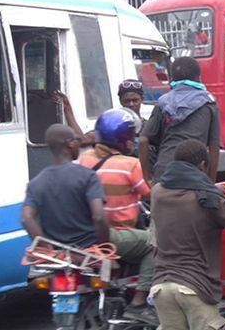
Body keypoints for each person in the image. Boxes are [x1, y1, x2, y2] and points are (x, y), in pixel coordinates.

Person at [150, 139, 225, 330]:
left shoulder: (157, 192)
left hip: (161, 288)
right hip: (194, 287)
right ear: (202, 165)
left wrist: (212, 190)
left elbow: (184, 191)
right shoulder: (207, 199)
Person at [77, 108, 156, 323]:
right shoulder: (129, 165)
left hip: (83, 233)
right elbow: (151, 194)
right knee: (155, 243)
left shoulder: (84, 160)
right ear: (124, 138)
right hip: (114, 234)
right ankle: (139, 303)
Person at [21, 124, 109, 249]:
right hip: (88, 252)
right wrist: (105, 250)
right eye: (77, 140)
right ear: (70, 144)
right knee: (143, 248)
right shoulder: (87, 176)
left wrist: (46, 247)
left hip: (58, 257)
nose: (79, 144)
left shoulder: (35, 183)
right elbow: (99, 217)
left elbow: (26, 218)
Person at [140, 57, 221, 183]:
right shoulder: (209, 104)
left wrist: (147, 178)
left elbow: (143, 140)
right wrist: (211, 183)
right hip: (194, 175)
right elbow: (214, 148)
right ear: (198, 78)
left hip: (164, 173)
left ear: (172, 79)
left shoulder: (162, 104)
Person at [54, 79, 147, 151]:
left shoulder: (150, 127)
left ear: (142, 99)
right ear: (120, 101)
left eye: (135, 100)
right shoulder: (112, 126)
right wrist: (67, 108)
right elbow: (82, 141)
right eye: (126, 101)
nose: (131, 104)